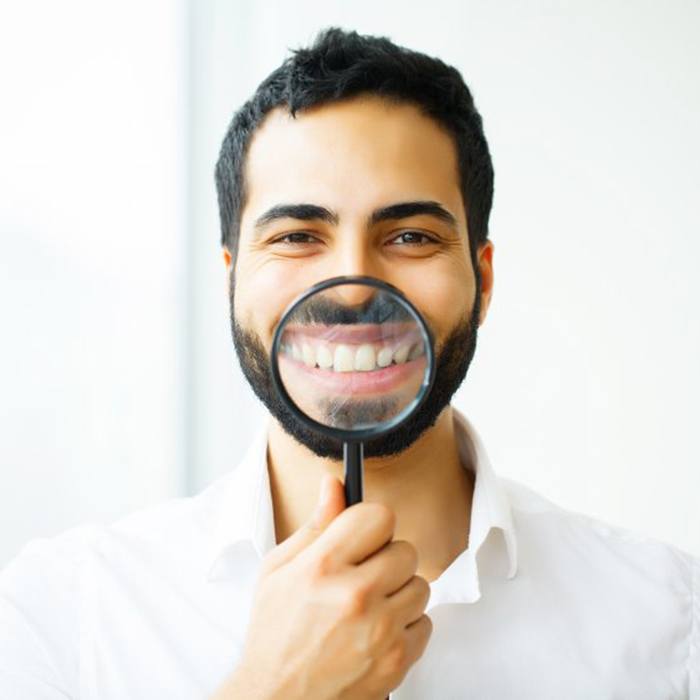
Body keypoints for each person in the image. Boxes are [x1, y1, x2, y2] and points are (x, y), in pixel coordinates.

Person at [1, 27, 698, 700]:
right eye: (299, 234)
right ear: (231, 280)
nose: (357, 284)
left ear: (483, 281)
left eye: (410, 235)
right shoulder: (65, 616)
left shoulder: (670, 622)